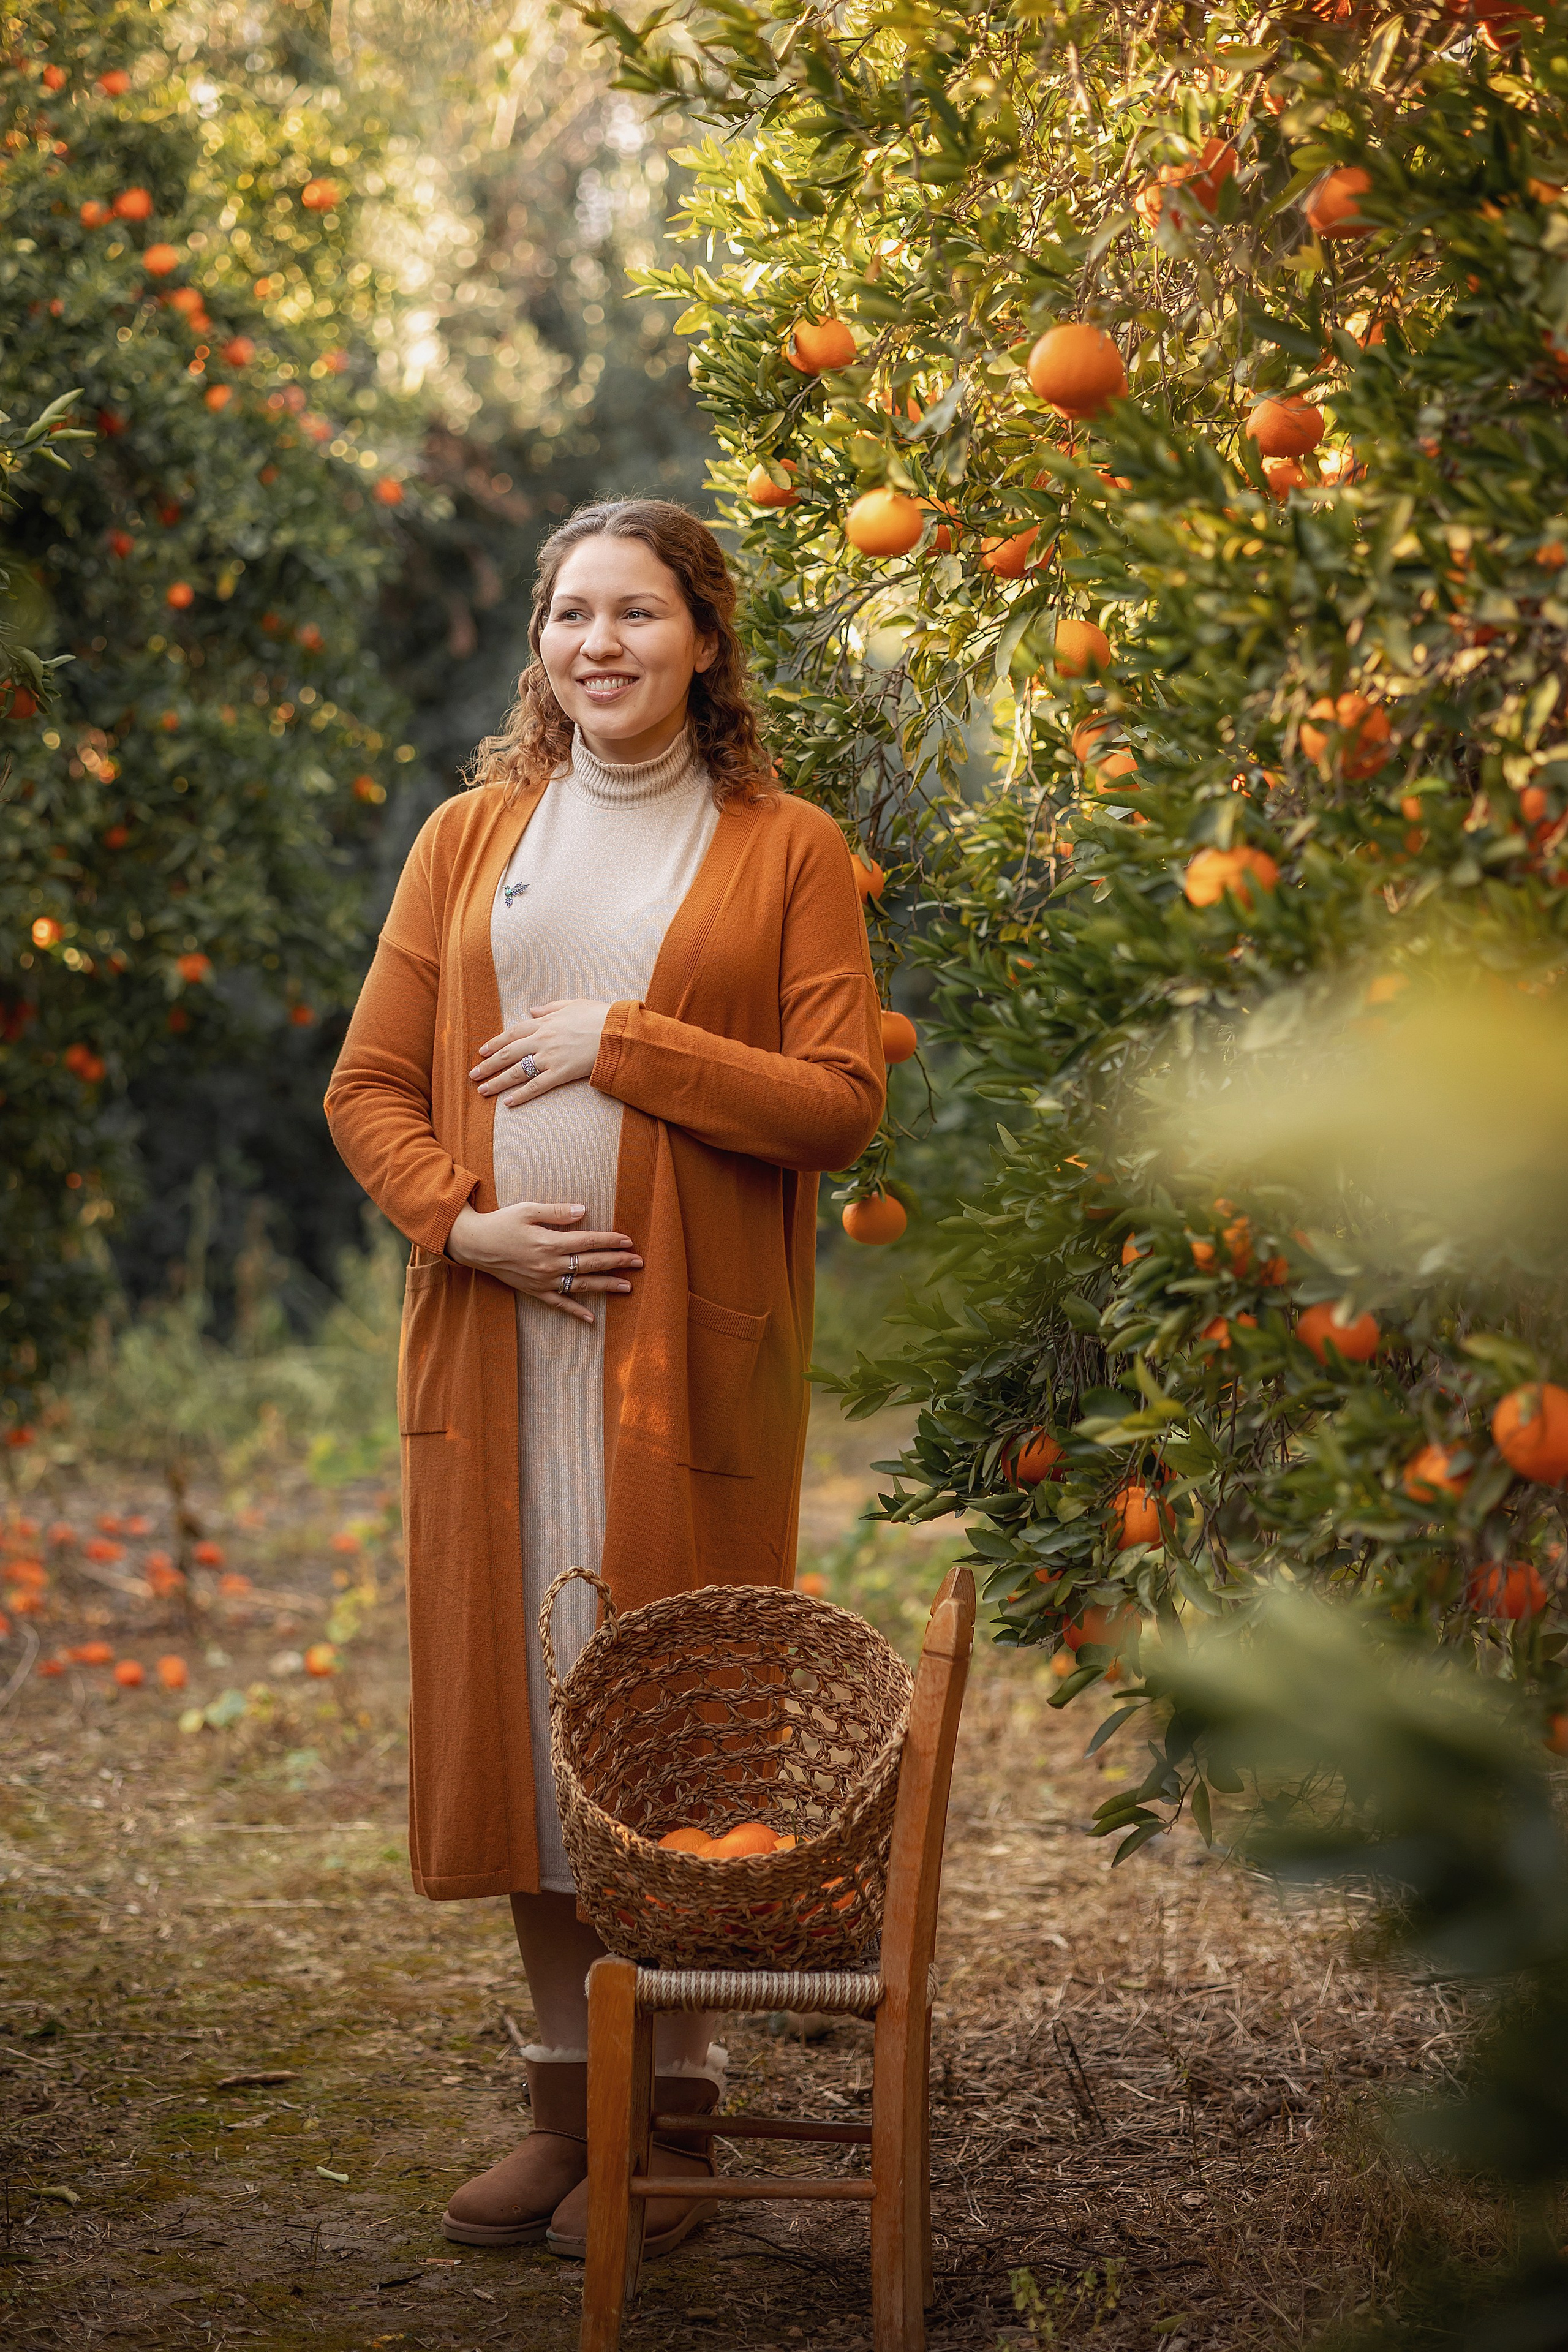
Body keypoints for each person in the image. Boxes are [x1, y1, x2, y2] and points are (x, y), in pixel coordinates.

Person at [324, 498, 885, 2260]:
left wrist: (617, 1042)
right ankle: (573, 2115)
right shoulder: (470, 837)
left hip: (684, 1361)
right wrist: (460, 1225)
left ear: (705, 641)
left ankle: (684, 2127)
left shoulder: (783, 846)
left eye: (638, 614)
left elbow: (841, 1103)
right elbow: (367, 1088)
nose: (600, 646)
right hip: (500, 1352)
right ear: (542, 641)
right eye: (573, 614)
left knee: (674, 1725)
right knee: (531, 1722)